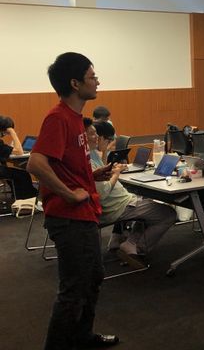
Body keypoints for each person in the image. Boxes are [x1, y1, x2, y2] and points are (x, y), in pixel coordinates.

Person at [26, 52, 120, 349]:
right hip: (69, 216)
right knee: (74, 289)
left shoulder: (76, 119)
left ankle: (82, 336)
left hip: (84, 212)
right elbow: (36, 163)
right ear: (75, 83)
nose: (97, 81)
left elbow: (66, 165)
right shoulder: (58, 118)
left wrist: (93, 175)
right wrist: (69, 193)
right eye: (92, 77)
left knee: (92, 278)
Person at [88, 119, 176, 267]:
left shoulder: (91, 154)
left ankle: (118, 239)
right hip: (117, 207)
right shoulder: (88, 160)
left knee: (145, 200)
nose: (96, 138)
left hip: (119, 203)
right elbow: (103, 192)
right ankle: (135, 248)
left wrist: (107, 159)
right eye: (108, 140)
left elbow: (101, 173)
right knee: (168, 214)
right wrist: (116, 173)